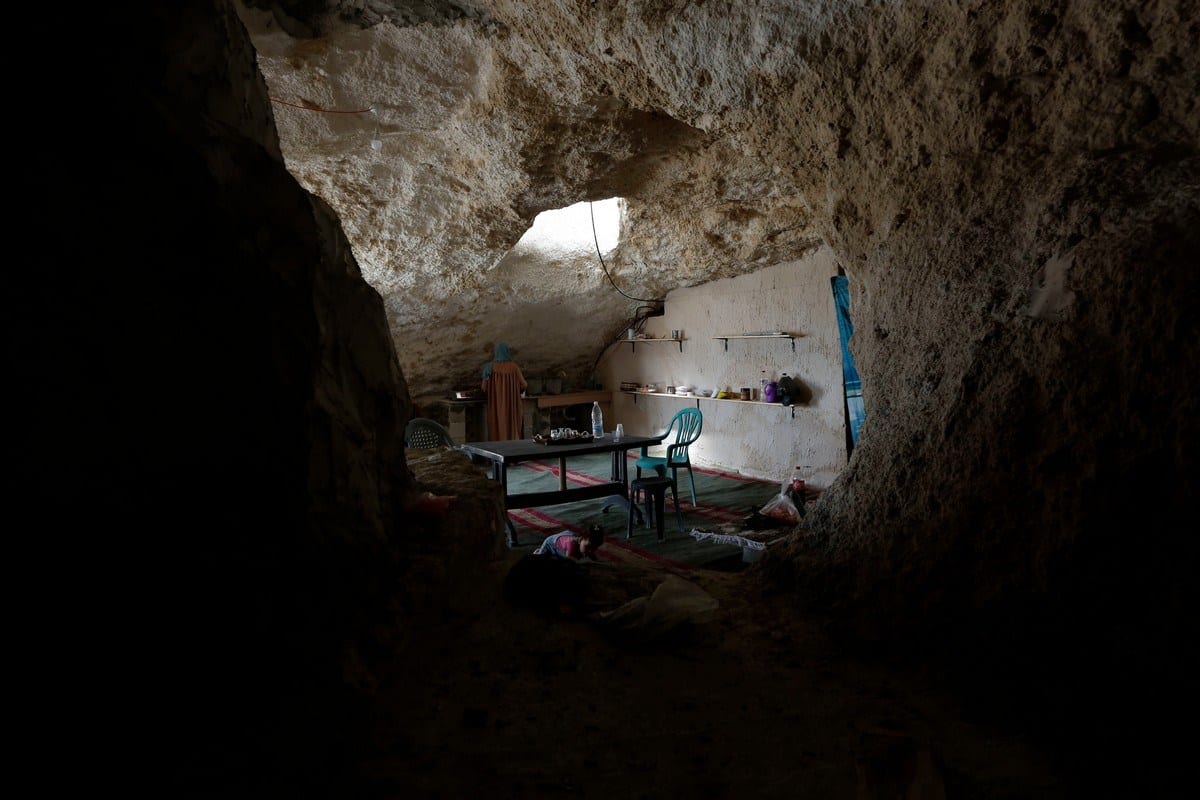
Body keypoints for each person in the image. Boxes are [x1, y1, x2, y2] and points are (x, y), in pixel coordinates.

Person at [481, 341, 528, 440]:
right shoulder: (514, 367)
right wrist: (516, 390)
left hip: (495, 405)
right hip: (512, 405)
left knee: (496, 426)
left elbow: (483, 388)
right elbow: (524, 384)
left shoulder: (489, 367)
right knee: (511, 424)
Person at [534, 525, 605, 560]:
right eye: (588, 547)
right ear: (580, 540)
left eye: (594, 548)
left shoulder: (585, 544)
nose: (590, 551)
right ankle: (538, 552)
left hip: (564, 540)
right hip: (550, 543)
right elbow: (569, 562)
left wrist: (595, 559)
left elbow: (591, 554)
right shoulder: (572, 546)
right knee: (540, 560)